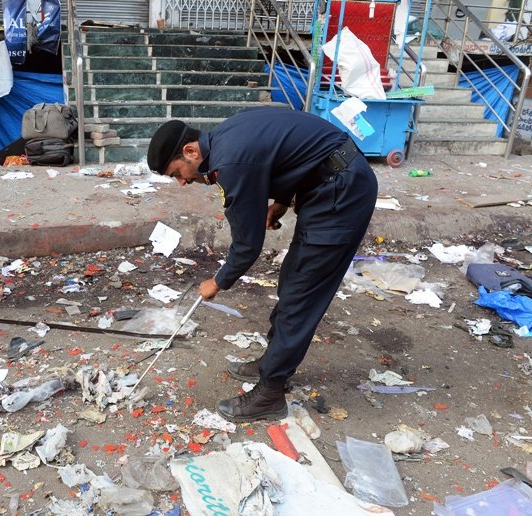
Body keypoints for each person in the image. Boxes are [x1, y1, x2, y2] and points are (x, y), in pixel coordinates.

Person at [147, 107, 378, 422]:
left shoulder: (230, 162)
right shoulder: (226, 137)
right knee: (292, 279)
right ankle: (274, 360)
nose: (182, 183)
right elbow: (290, 153)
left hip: (342, 193)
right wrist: (281, 203)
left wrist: (217, 282)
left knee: (302, 291)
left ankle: (271, 391)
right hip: (328, 182)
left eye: (177, 173)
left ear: (190, 151)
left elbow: (247, 245)